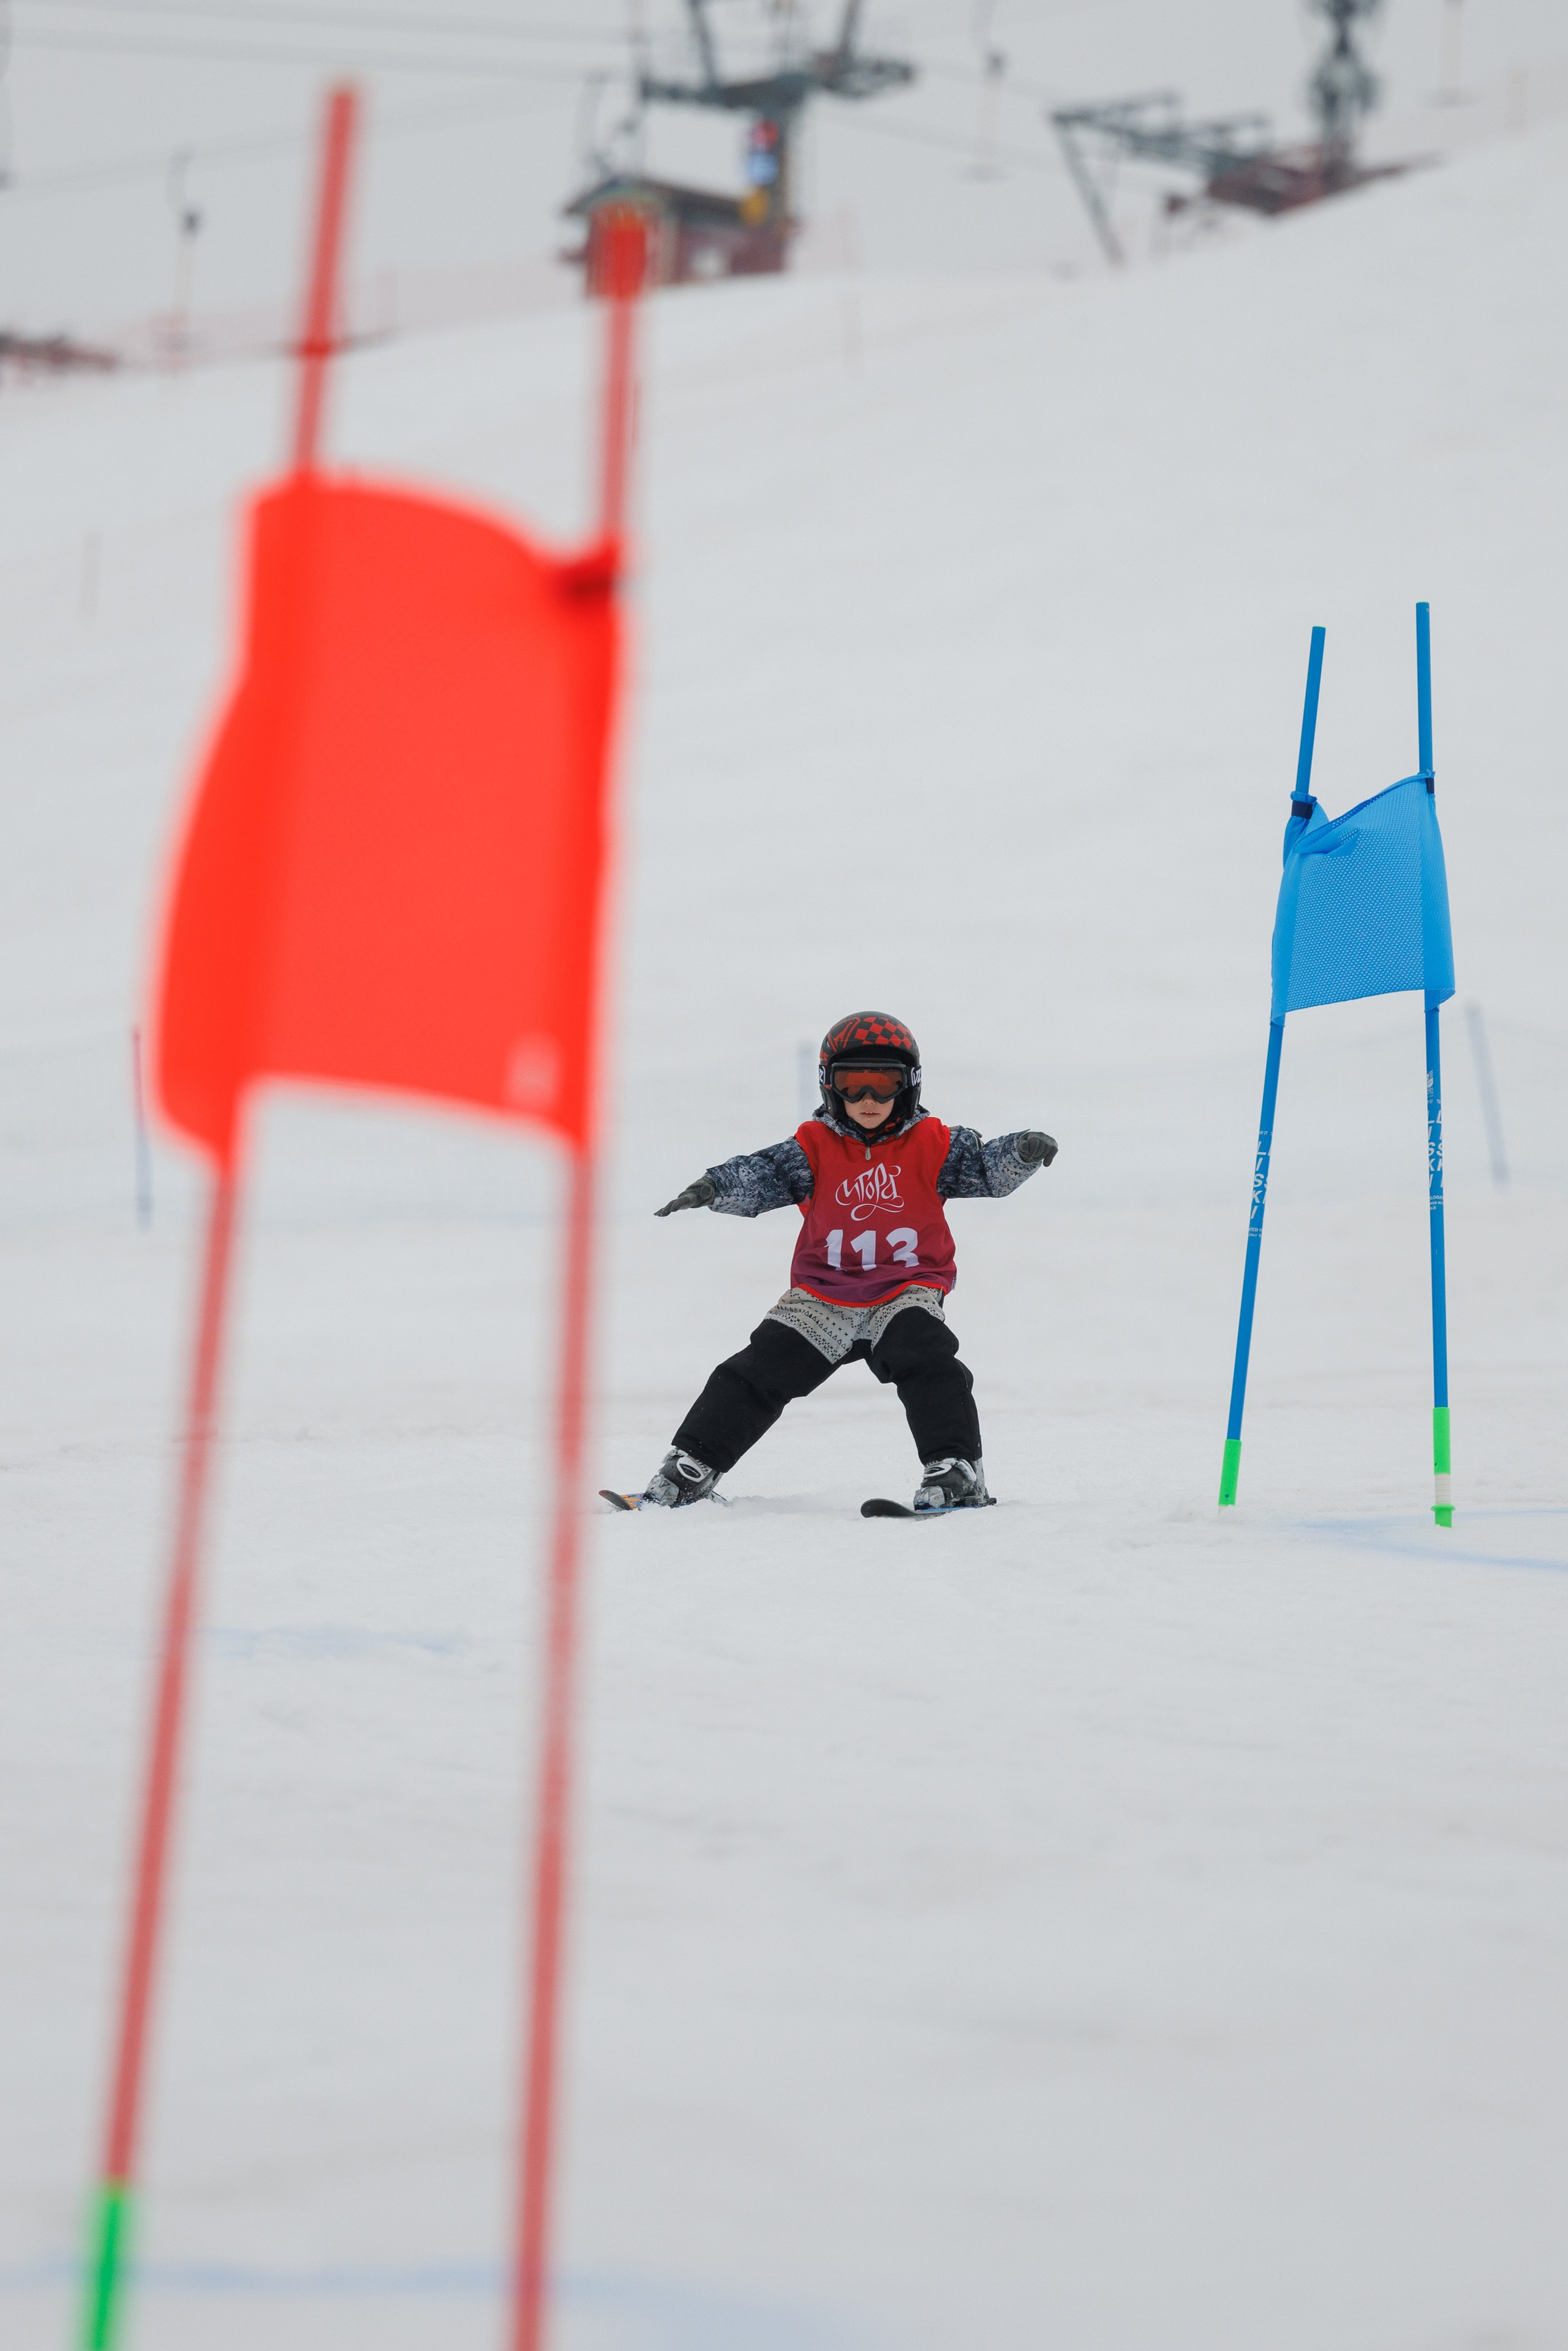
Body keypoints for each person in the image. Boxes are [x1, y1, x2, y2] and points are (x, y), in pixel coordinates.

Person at [622, 1011, 1056, 1514]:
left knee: (927, 1358)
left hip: (905, 1287)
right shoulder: (813, 1148)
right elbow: (761, 1174)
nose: (867, 1101)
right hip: (821, 1294)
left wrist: (1021, 1153)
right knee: (758, 1369)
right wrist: (714, 1188)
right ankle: (691, 1467)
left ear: (909, 1085)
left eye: (883, 1084)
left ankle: (956, 1469)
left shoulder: (935, 1144)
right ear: (831, 1086)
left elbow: (986, 1167)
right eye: (853, 1086)